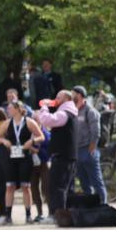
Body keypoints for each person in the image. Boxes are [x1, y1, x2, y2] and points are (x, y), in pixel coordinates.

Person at [0, 100, 44, 224]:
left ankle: (28, 215)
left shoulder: (29, 122)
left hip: (25, 157)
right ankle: (8, 216)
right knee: (10, 186)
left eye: (10, 108)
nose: (8, 110)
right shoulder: (7, 123)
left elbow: (41, 136)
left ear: (18, 109)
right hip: (10, 157)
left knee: (26, 186)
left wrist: (32, 141)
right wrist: (4, 141)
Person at [37, 90, 79, 220]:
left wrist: (44, 106)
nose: (55, 99)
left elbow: (46, 120)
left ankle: (56, 215)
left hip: (62, 156)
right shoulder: (70, 113)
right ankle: (66, 215)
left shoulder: (64, 113)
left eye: (58, 97)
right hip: (68, 156)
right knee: (66, 188)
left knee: (57, 187)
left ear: (66, 99)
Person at [72, 86, 106, 203]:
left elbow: (96, 131)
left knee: (97, 182)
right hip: (77, 151)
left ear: (80, 95)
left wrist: (92, 146)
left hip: (88, 149)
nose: (72, 96)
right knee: (84, 183)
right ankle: (90, 207)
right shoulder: (74, 110)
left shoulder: (90, 111)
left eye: (73, 94)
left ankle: (103, 205)